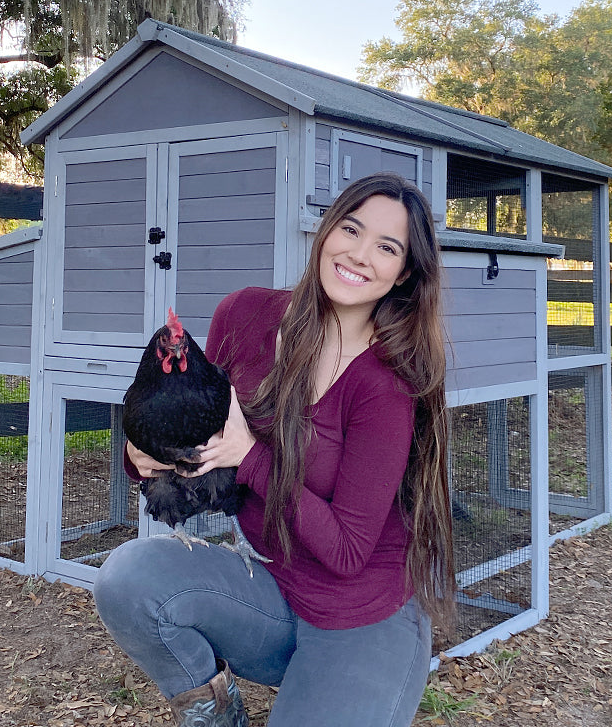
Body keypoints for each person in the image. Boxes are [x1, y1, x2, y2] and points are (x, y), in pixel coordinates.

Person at [93, 172, 456, 727]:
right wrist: (148, 456)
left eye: (386, 247)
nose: (359, 254)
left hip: (359, 618)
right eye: (351, 229)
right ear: (326, 229)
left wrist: (251, 455)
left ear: (404, 272)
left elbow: (347, 552)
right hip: (269, 587)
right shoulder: (245, 315)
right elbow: (206, 446)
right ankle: (215, 712)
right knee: (129, 580)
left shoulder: (386, 386)